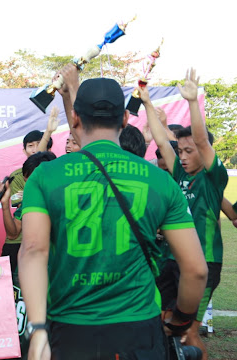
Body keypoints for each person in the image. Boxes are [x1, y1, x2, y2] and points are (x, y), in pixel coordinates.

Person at [19, 69, 208, 360]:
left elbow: (33, 250)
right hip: (138, 328)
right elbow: (196, 269)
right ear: (123, 119)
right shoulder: (159, 180)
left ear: (76, 120)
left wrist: (39, 328)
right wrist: (181, 321)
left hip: (68, 328)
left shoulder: (44, 175)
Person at [146, 68, 228, 360]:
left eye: (188, 151)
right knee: (169, 324)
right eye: (180, 150)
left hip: (204, 262)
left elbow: (203, 142)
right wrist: (145, 102)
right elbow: (161, 140)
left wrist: (193, 102)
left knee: (190, 332)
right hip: (173, 259)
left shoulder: (212, 178)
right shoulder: (179, 173)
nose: (181, 155)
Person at [0, 151, 56, 272]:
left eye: (32, 180)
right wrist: (5, 204)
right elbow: (13, 234)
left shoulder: (65, 197)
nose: (28, 185)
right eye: (25, 181)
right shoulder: (29, 201)